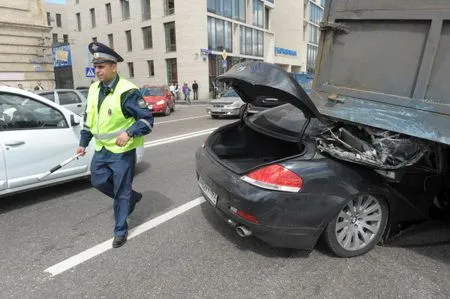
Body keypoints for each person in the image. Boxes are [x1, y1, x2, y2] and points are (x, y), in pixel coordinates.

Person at [75, 42, 154, 248]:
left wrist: (129, 132)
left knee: (120, 191)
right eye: (96, 67)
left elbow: (146, 121)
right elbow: (88, 120)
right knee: (98, 181)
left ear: (113, 67)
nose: (97, 71)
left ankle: (120, 231)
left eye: (101, 67)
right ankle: (132, 198)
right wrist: (83, 143)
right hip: (101, 150)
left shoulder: (128, 91)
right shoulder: (93, 89)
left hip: (122, 152)